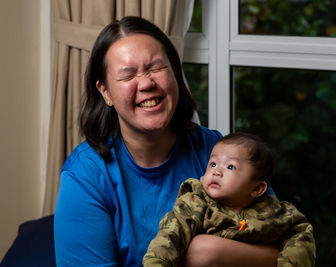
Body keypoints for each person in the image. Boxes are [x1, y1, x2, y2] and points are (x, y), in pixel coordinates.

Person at [54, 16, 291, 267]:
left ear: (175, 73)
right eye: (128, 75)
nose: (146, 83)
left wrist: (207, 252)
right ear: (106, 92)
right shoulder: (86, 175)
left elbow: (289, 249)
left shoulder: (216, 152)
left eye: (156, 68)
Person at [143, 132, 316, 267]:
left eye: (230, 166)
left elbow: (300, 236)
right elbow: (169, 236)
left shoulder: (276, 213)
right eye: (213, 164)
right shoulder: (195, 203)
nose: (217, 171)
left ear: (257, 189)